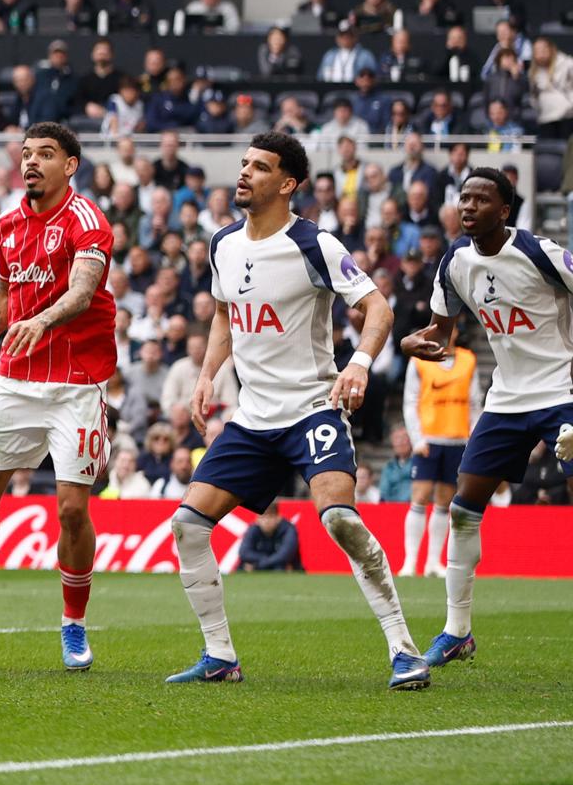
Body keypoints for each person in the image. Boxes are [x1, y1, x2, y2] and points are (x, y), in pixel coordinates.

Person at [167, 132, 426, 690]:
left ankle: (404, 650)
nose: (244, 174)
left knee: (337, 518)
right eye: (243, 164)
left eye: (259, 167)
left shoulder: (316, 244)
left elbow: (377, 308)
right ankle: (220, 656)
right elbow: (222, 316)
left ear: (288, 184)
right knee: (188, 525)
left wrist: (357, 363)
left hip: (313, 407)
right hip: (253, 419)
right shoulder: (222, 245)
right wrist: (209, 375)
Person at [0, 123, 119, 671]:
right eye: (26, 154)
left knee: (71, 508)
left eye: (45, 154)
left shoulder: (88, 222)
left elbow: (84, 292)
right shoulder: (8, 223)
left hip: (77, 383)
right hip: (15, 378)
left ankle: (74, 625)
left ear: (71, 165)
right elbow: (3, 296)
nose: (32, 163)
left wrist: (41, 319)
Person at [401, 169, 573, 669]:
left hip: (562, 389)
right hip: (506, 399)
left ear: (505, 210)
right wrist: (417, 342)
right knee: (463, 507)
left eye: (481, 198)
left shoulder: (541, 252)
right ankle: (457, 631)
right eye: (464, 198)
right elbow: (442, 332)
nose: (468, 205)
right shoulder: (455, 260)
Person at [400, 343, 479, 580]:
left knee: (445, 501)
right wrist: (417, 438)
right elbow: (410, 401)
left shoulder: (468, 359)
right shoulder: (419, 360)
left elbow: (474, 401)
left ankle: (433, 562)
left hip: (457, 439)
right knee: (420, 496)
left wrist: (473, 437)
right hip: (429, 439)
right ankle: (410, 561)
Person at [236, 507, 302, 571]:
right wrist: (265, 559)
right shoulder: (253, 529)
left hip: (282, 567)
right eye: (263, 517)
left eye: (270, 517)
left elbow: (285, 555)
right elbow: (244, 552)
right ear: (257, 519)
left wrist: (257, 566)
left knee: (280, 566)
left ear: (278, 518)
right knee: (243, 567)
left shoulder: (288, 529)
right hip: (259, 563)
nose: (266, 521)